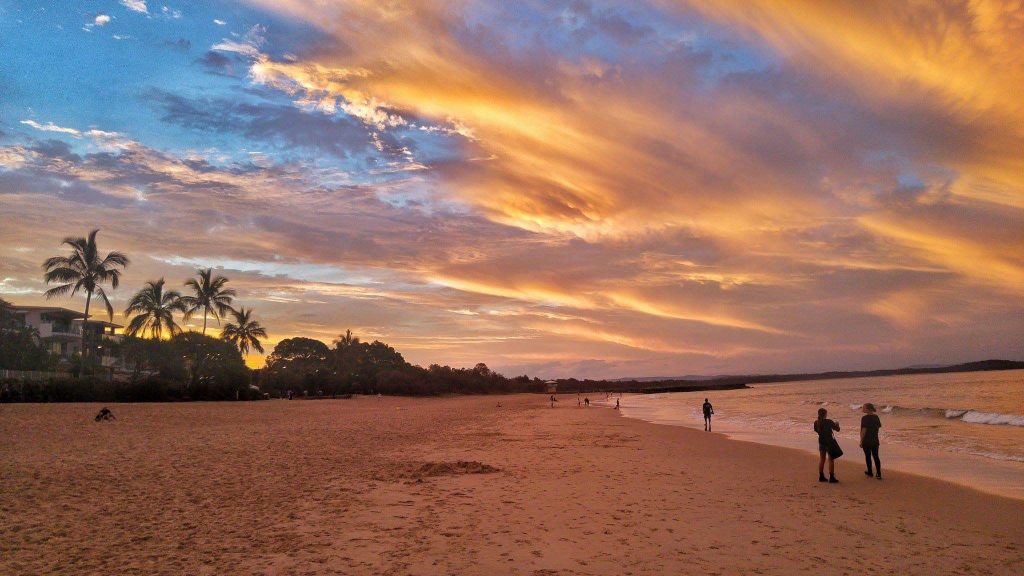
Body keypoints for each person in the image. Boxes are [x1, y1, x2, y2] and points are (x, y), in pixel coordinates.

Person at [814, 407, 841, 483]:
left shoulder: (816, 422)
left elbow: (816, 431)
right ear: (825, 414)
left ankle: (821, 476)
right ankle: (831, 477)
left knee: (822, 459)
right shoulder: (829, 421)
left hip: (821, 442)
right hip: (829, 442)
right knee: (831, 459)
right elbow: (837, 429)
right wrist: (837, 424)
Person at [860, 403, 883, 479]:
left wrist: (861, 440)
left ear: (868, 409)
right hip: (875, 439)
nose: (862, 409)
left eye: (864, 408)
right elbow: (878, 427)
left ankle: (870, 472)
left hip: (866, 440)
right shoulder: (876, 417)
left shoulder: (864, 418)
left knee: (868, 456)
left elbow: (864, 430)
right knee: (876, 456)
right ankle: (878, 473)